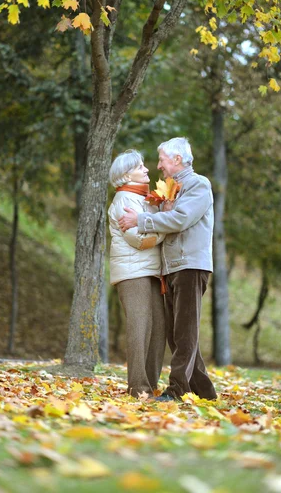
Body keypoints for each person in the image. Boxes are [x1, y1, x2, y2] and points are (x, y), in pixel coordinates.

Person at [118, 137, 217, 401]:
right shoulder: (172, 188)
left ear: (177, 159)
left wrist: (139, 220)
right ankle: (205, 391)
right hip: (172, 269)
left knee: (184, 334)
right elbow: (166, 218)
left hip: (190, 266)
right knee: (179, 335)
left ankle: (177, 390)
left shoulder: (198, 184)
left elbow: (180, 219)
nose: (158, 165)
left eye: (162, 159)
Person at [108, 149, 166, 398]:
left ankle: (149, 385)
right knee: (140, 327)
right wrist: (166, 229)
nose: (146, 170)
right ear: (125, 174)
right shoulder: (124, 200)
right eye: (140, 166)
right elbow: (138, 240)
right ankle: (137, 387)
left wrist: (161, 223)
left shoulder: (144, 200)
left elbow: (154, 228)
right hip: (132, 274)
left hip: (151, 271)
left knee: (159, 327)